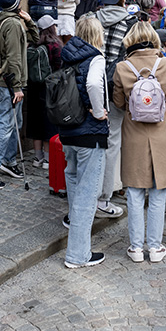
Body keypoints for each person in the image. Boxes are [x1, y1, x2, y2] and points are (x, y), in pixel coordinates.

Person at [114, 22, 166, 262]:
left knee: (133, 191)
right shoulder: (165, 64)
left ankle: (135, 248)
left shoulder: (122, 67)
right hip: (161, 133)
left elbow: (119, 103)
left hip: (133, 132)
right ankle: (154, 247)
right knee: (158, 190)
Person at [59, 17, 109, 269]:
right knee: (87, 196)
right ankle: (78, 255)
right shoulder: (96, 57)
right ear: (98, 34)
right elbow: (91, 83)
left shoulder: (67, 54)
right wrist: (99, 111)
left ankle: (77, 245)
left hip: (68, 131)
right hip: (90, 133)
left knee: (75, 186)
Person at [0, 0, 38, 190]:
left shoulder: (13, 21)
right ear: (15, 3)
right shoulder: (12, 24)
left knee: (15, 122)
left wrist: (29, 21)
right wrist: (17, 87)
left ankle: (9, 161)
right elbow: (13, 58)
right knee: (6, 123)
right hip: (10, 83)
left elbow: (35, 38)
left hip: (11, 82)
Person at [94, 0, 136, 219]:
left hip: (91, 86)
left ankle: (95, 190)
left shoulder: (91, 19)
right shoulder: (131, 22)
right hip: (115, 86)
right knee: (113, 140)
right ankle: (105, 196)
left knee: (92, 139)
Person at [27, 15, 63, 169]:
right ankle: (48, 160)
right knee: (49, 123)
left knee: (35, 123)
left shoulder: (32, 44)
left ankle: (37, 158)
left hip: (33, 89)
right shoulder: (55, 45)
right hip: (50, 89)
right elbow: (60, 67)